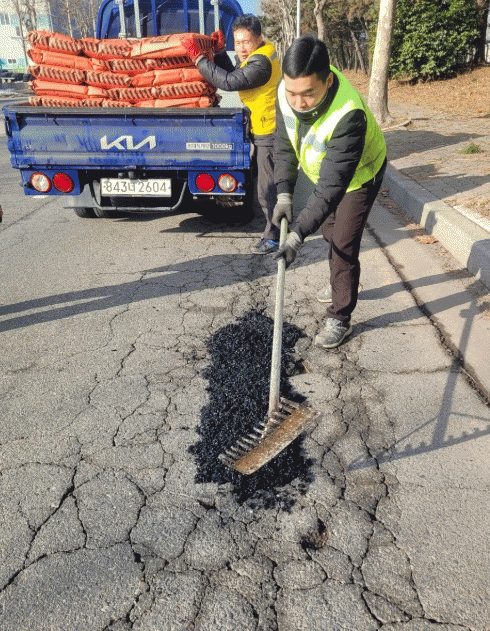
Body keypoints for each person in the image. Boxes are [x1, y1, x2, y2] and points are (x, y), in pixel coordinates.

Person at [272, 35, 387, 348]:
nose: (298, 102)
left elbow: (331, 188)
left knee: (343, 245)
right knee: (329, 230)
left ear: (327, 81)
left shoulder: (348, 114)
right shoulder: (286, 90)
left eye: (308, 93)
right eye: (292, 93)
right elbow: (283, 143)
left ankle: (340, 316)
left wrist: (296, 235)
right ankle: (341, 281)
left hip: (359, 176)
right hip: (324, 171)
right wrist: (284, 193)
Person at [181, 15, 282, 254]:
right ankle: (276, 231)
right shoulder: (259, 54)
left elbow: (228, 82)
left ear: (259, 38)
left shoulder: (261, 63)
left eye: (246, 42)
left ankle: (274, 236)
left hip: (269, 131)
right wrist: (218, 53)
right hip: (262, 127)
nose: (241, 48)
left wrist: (198, 58)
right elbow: (235, 71)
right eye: (237, 43)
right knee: (265, 186)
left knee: (266, 190)